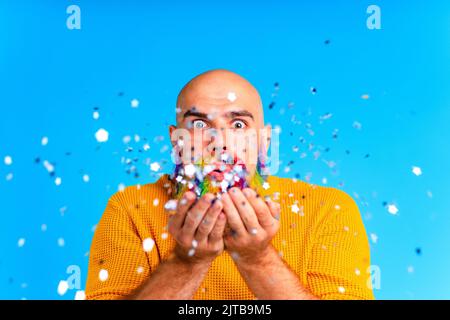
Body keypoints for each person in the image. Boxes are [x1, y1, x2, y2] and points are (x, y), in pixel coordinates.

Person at [85, 69, 375, 300]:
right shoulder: (130, 208)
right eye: (199, 125)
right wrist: (188, 262)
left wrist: (257, 259)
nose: (219, 142)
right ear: (177, 140)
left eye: (238, 125)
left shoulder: (327, 208)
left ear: (264, 139)